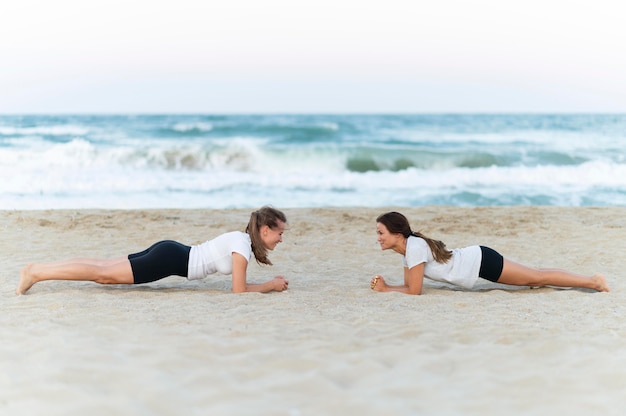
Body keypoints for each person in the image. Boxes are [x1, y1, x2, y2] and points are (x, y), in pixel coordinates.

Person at [17, 206, 289, 295]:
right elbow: (238, 291)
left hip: (171, 252)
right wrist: (270, 285)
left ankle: (38, 269)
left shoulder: (242, 242)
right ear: (265, 229)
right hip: (169, 259)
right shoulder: (242, 246)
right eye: (279, 232)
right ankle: (36, 273)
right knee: (103, 275)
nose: (280, 239)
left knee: (102, 266)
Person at [370, 211, 609, 295]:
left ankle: (593, 282)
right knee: (535, 276)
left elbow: (414, 291)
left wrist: (387, 289)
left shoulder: (415, 246)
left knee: (536, 278)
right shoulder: (408, 250)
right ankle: (590, 281)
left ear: (397, 234)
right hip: (479, 259)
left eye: (381, 233)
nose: (378, 238)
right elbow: (410, 285)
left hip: (481, 262)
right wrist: (390, 286)